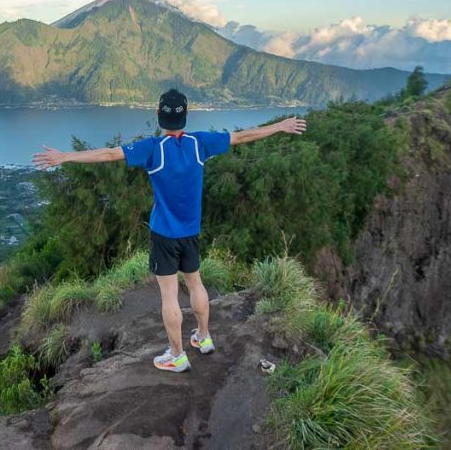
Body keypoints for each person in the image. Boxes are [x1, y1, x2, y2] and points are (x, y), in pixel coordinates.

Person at [32, 89, 306, 373]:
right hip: (191, 232)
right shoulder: (199, 144)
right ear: (186, 116)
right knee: (195, 283)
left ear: (158, 115)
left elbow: (108, 153)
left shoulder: (153, 149)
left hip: (164, 234)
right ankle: (203, 336)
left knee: (169, 295)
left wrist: (65, 156)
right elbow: (242, 136)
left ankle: (177, 355)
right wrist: (280, 126)